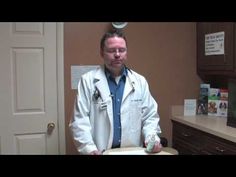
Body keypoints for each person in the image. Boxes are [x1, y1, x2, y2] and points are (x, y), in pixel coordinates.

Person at [69, 29, 162, 155]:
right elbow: (79, 121)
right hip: (100, 152)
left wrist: (152, 141)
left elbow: (150, 117)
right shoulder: (87, 81)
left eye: (122, 50)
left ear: (126, 52)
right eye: (112, 50)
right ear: (102, 53)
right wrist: (89, 149)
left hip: (132, 152)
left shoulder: (140, 81)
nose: (117, 54)